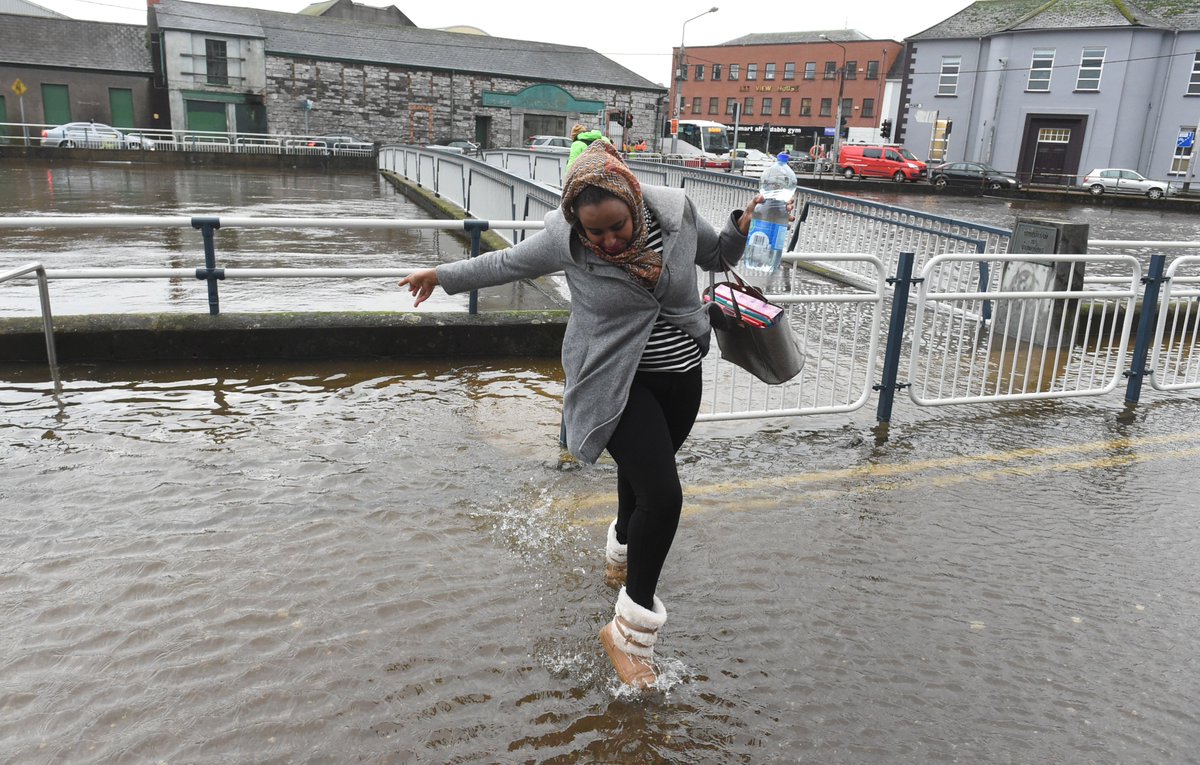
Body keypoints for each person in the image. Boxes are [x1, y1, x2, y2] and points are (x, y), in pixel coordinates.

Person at [399, 141, 763, 689]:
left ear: (634, 202)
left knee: (642, 483)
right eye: (597, 233)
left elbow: (717, 257)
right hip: (610, 380)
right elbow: (504, 261)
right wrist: (442, 275)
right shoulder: (565, 240)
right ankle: (630, 632)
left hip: (682, 373)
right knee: (664, 498)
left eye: (616, 226)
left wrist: (742, 223)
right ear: (577, 224)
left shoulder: (677, 213)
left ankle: (620, 552)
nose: (610, 240)